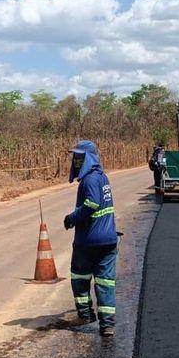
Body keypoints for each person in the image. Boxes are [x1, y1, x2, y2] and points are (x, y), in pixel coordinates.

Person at [63, 140, 119, 337]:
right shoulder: (102, 178)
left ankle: (85, 314)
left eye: (80, 157)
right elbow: (106, 208)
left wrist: (72, 218)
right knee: (105, 282)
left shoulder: (89, 180)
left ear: (90, 158)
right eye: (75, 157)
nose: (76, 160)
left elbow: (92, 204)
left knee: (79, 277)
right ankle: (107, 325)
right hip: (109, 240)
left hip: (88, 242)